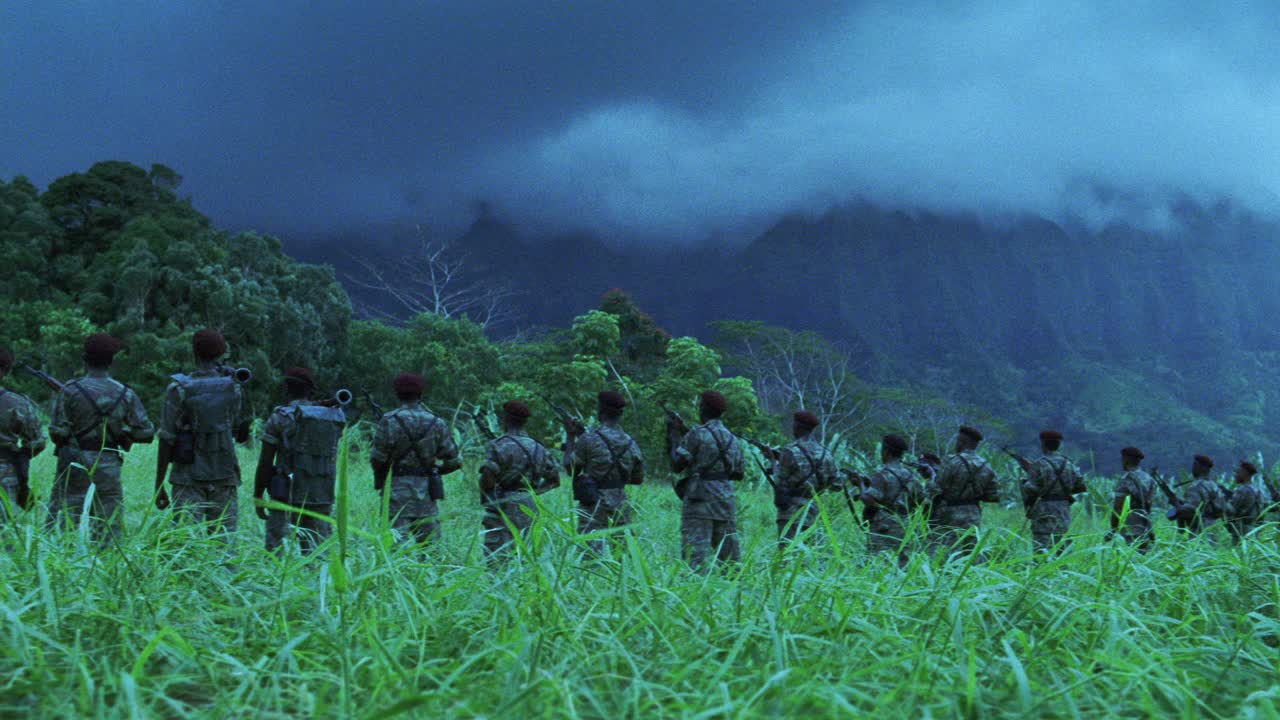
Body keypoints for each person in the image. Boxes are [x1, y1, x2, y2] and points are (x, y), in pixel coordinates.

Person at [47, 334, 154, 541]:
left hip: (73, 461)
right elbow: (146, 432)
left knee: (64, 517)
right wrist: (121, 433)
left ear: (84, 359)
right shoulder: (125, 393)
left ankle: (61, 564)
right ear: (111, 361)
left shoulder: (70, 390)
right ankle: (106, 561)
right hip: (108, 462)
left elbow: (56, 432)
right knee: (108, 522)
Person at [155, 329, 250, 540]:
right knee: (225, 546)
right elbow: (234, 422)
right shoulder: (234, 388)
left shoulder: (178, 388)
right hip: (225, 473)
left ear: (194, 353)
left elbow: (166, 438)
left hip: (187, 475)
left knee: (186, 545)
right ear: (221, 354)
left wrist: (159, 484)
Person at [253, 367, 345, 554]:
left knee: (277, 554)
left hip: (285, 493)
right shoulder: (332, 417)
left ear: (286, 389)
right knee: (319, 556)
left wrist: (258, 494)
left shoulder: (280, 417)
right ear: (311, 391)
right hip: (320, 494)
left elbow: (265, 461)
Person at [369, 372, 460, 546]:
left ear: (397, 394)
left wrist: (381, 479)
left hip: (395, 491)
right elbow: (454, 461)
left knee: (393, 548)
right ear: (421, 394)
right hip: (426, 492)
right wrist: (435, 470)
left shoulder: (389, 420)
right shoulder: (436, 422)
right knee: (430, 549)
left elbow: (377, 459)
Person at [670, 390, 745, 571]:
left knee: (694, 561)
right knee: (730, 562)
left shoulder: (697, 433)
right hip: (725, 501)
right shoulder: (732, 439)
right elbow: (739, 473)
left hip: (700, 501)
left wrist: (673, 435)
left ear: (703, 408)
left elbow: (677, 464)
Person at [565, 390, 645, 557]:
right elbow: (637, 479)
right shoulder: (631, 443)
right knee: (622, 555)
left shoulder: (589, 439)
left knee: (591, 556)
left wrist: (571, 436)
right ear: (620, 414)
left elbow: (569, 467)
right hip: (621, 502)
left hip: (593, 501)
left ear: (600, 411)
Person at [478, 400, 560, 560]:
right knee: (527, 553)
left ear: (506, 419)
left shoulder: (498, 445)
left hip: (503, 502)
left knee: (497, 555)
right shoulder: (538, 447)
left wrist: (489, 492)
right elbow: (555, 480)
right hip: (529, 504)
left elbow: (488, 474)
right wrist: (531, 492)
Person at [927, 425, 999, 559]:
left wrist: (929, 480)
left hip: (951, 513)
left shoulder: (952, 461)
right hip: (974, 513)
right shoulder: (986, 465)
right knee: (969, 552)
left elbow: (937, 488)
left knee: (948, 551)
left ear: (962, 441)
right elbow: (993, 495)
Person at [772, 411, 838, 547]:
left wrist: (773, 462)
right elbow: (837, 485)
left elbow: (779, 480)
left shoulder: (790, 450)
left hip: (791, 511)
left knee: (786, 556)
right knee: (807, 557)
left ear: (798, 426)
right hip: (813, 510)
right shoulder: (826, 454)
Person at [862, 433, 923, 565]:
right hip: (905, 524)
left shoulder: (881, 474)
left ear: (886, 452)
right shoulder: (911, 476)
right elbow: (921, 499)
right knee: (902, 564)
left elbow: (869, 500)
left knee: (878, 563)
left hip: (883, 526)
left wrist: (861, 486)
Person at [0, 346, 46, 521]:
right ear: (6, 371)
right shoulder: (16, 403)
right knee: (5, 534)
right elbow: (37, 442)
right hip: (4, 473)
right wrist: (21, 456)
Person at [1021, 430, 1087, 552]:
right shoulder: (1069, 463)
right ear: (1059, 445)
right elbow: (1081, 486)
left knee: (1042, 545)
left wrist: (1027, 477)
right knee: (1060, 542)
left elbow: (1030, 489)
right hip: (1063, 509)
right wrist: (1063, 491)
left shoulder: (1039, 464)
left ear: (1043, 444)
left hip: (1044, 510)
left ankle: (1042, 570)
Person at [1109, 447, 1156, 552]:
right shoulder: (1149, 479)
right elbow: (1149, 505)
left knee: (1128, 562)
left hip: (1129, 528)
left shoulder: (1126, 479)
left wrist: (1113, 530)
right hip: (1145, 527)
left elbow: (1118, 507)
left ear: (1126, 460)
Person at [1171, 455, 1226, 538]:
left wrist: (1175, 503)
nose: (1193, 469)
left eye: (1194, 466)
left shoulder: (1196, 486)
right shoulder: (1214, 485)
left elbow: (1190, 510)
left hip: (1199, 531)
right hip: (1213, 529)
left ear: (1200, 468)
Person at [1226, 460, 1265, 544]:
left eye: (1238, 472)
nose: (1236, 475)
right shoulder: (1258, 490)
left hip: (1241, 532)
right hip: (1255, 531)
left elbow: (1231, 510)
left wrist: (1223, 500)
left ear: (1245, 473)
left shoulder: (1242, 490)